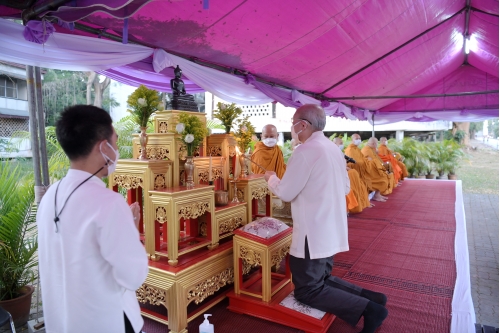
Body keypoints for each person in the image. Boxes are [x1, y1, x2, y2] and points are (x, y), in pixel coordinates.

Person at [265, 104, 388, 333]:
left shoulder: (305, 151)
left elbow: (286, 192)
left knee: (308, 290)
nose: (292, 129)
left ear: (302, 125)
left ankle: (370, 309)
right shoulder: (333, 149)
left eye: (293, 123)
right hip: (331, 227)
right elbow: (345, 187)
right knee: (322, 279)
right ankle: (372, 298)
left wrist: (271, 178)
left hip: (312, 232)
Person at [37, 105, 148, 333]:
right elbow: (133, 276)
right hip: (106, 320)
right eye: (115, 141)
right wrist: (132, 232)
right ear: (104, 146)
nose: (117, 149)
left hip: (62, 320)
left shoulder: (50, 196)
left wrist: (128, 226)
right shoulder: (109, 203)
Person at [344, 134, 386, 202]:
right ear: (352, 140)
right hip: (357, 171)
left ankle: (375, 196)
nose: (358, 140)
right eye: (356, 138)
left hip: (363, 170)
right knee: (380, 178)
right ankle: (368, 200)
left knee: (382, 175)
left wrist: (370, 162)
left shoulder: (357, 149)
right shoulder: (350, 149)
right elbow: (353, 163)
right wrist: (369, 162)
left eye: (359, 138)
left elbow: (363, 159)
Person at [334, 137, 371, 213]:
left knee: (354, 174)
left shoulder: (340, 153)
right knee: (353, 173)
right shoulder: (348, 150)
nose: (342, 145)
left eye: (342, 143)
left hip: (345, 172)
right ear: (334, 144)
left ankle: (361, 202)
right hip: (337, 174)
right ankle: (353, 204)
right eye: (340, 143)